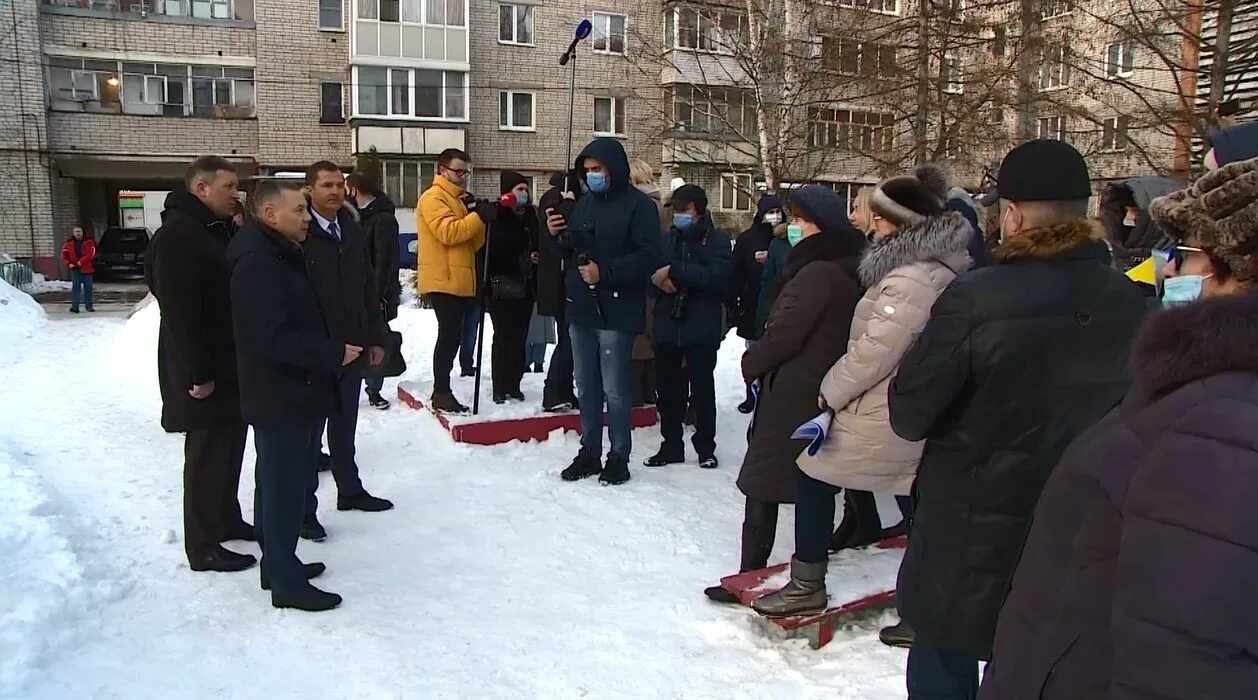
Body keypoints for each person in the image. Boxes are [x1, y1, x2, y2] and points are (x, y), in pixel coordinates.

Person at [981, 156, 1258, 700]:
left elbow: (1183, 658)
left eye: (1182, 255)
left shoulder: (1217, 426)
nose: (1168, 271)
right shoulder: (1209, 396)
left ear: (1227, 266)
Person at [886, 140, 1149, 699]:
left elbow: (910, 412)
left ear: (1011, 214)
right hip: (1076, 533)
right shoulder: (1132, 302)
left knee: (943, 668)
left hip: (968, 535)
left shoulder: (976, 299)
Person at [751, 165, 971, 620]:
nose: (871, 223)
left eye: (880, 217)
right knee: (915, 490)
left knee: (813, 473)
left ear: (899, 224)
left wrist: (830, 390)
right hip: (910, 401)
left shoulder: (909, 277)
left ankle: (807, 583)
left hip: (884, 403)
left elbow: (877, 350)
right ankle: (930, 586)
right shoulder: (934, 267)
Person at [704, 185, 865, 602]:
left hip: (793, 387)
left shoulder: (817, 272)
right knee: (810, 480)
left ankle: (749, 576)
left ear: (819, 225)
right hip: (819, 386)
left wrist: (751, 362)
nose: (791, 227)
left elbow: (785, 333)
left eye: (798, 220)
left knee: (763, 480)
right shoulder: (845, 264)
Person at [228, 179, 355, 612]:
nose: (306, 218)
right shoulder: (258, 263)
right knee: (281, 486)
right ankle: (284, 581)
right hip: (279, 390)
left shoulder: (277, 253)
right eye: (299, 211)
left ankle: (278, 563)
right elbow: (270, 337)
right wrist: (332, 352)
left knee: (278, 483)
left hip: (292, 388)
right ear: (270, 215)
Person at [145, 156, 254, 573]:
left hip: (228, 363)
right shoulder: (179, 235)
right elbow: (180, 311)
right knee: (207, 454)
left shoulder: (214, 229)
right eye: (228, 187)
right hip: (202, 368)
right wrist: (199, 373)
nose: (236, 194)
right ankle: (203, 544)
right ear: (201, 189)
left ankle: (225, 519)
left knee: (229, 446)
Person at [544, 138, 661, 485]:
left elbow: (648, 256)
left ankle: (618, 456)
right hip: (580, 309)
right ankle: (590, 451)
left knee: (615, 389)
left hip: (617, 310)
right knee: (586, 385)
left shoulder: (640, 207)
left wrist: (605, 272)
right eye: (587, 171)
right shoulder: (585, 205)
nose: (592, 176)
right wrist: (555, 236)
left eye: (598, 169)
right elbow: (570, 251)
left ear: (614, 168)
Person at [302, 161, 394, 540]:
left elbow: (365, 290)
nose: (335, 191)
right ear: (310, 190)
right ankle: (304, 510)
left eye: (339, 184)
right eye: (326, 185)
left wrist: (376, 338)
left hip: (354, 347)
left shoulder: (351, 229)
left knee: (345, 426)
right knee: (309, 434)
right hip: (319, 351)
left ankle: (350, 490)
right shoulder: (301, 232)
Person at [645, 184, 732, 470]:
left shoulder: (717, 241)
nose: (679, 215)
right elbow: (649, 275)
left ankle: (706, 447)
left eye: (685, 210)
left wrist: (676, 271)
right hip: (668, 324)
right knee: (668, 392)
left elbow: (717, 278)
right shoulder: (666, 240)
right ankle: (671, 445)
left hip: (701, 326)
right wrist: (658, 281)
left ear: (699, 209)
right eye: (676, 210)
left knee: (703, 390)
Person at [417, 148, 491, 412]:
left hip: (458, 277)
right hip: (442, 277)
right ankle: (441, 390)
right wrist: (477, 218)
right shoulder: (433, 198)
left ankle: (443, 389)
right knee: (448, 335)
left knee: (454, 335)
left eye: (465, 171)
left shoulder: (458, 200)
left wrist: (478, 218)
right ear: (442, 170)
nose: (463, 177)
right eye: (458, 171)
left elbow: (471, 243)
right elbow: (448, 233)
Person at [346, 170, 401, 410]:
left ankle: (374, 388)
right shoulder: (360, 215)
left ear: (353, 189)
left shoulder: (381, 218)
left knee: (376, 337)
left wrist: (377, 295)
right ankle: (363, 384)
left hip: (375, 294)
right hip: (356, 290)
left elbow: (384, 260)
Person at [727, 195, 783, 413]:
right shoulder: (748, 239)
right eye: (771, 212)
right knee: (754, 354)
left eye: (778, 211)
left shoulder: (788, 238)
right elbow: (736, 273)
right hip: (753, 304)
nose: (775, 216)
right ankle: (751, 393)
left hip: (779, 304)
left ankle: (772, 396)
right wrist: (733, 303)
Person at [486, 171, 537, 403]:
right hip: (501, 286)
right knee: (503, 336)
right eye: (519, 189)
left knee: (520, 336)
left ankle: (514, 383)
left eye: (526, 189)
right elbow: (493, 250)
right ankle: (500, 385)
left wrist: (536, 255)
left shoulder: (530, 216)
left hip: (526, 286)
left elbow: (538, 241)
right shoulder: (497, 216)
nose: (524, 194)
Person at [536, 170, 580, 412]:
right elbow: (559, 236)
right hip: (559, 281)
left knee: (569, 338)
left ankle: (563, 389)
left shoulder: (552, 199)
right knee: (568, 339)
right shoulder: (557, 201)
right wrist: (570, 207)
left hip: (557, 280)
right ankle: (554, 390)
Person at [629, 158, 668, 408]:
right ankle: (649, 391)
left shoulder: (636, 206)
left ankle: (634, 394)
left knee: (635, 339)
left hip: (637, 278)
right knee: (651, 337)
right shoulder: (663, 206)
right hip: (658, 277)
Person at [62, 226, 96, 313]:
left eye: (79, 231)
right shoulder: (68, 243)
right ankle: (75, 307)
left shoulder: (89, 242)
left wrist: (82, 261)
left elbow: (91, 253)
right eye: (76, 232)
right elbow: (64, 255)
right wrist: (68, 263)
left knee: (88, 288)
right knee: (76, 288)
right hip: (75, 269)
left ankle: (89, 306)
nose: (78, 233)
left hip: (87, 268)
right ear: (73, 233)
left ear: (82, 232)